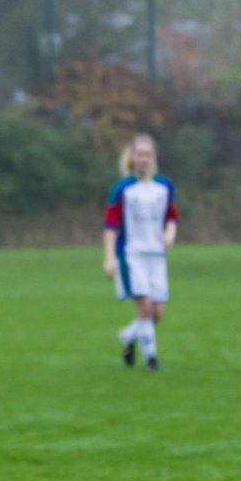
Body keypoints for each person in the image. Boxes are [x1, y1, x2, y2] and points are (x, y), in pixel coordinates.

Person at [102, 132, 179, 371]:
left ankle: (128, 336)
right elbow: (110, 225)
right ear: (132, 157)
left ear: (153, 157)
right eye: (139, 154)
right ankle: (151, 360)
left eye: (147, 154)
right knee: (144, 306)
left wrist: (170, 234)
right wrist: (109, 257)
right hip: (131, 254)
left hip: (156, 256)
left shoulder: (164, 186)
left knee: (156, 313)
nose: (143, 159)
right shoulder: (122, 189)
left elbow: (171, 217)